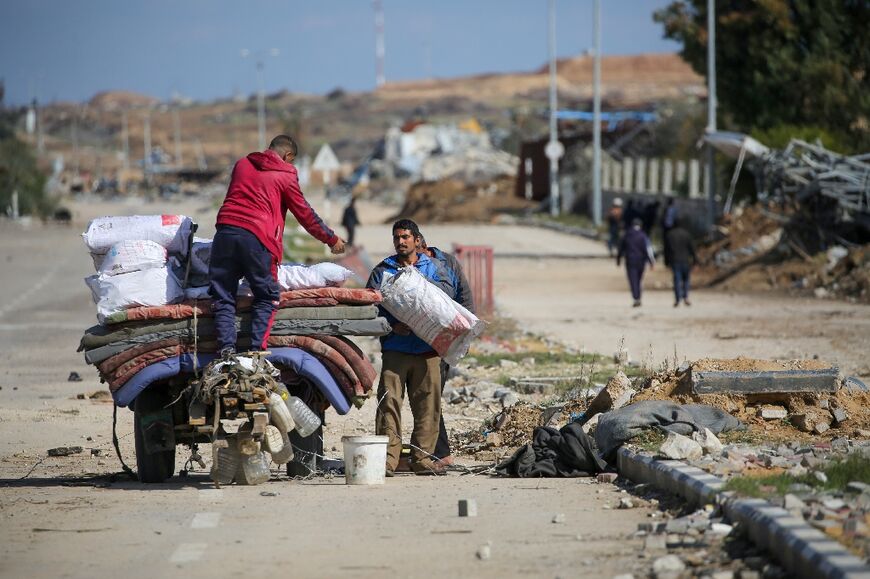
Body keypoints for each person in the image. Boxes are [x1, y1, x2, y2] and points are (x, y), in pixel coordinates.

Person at [209, 135, 345, 356]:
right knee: (266, 295)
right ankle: (255, 351)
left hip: (225, 232)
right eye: (290, 161)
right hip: (258, 238)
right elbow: (305, 214)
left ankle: (226, 348)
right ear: (288, 155)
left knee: (223, 295)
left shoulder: (242, 164)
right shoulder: (285, 175)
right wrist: (331, 239)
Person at [366, 219, 454, 476]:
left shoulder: (435, 269)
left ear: (417, 240)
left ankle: (423, 460)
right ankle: (387, 462)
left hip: (428, 350)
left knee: (428, 406)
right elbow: (370, 309)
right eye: (397, 238)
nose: (401, 241)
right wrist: (393, 326)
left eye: (406, 237)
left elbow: (449, 302)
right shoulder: (383, 271)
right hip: (396, 350)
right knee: (389, 404)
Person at [417, 234, 475, 467]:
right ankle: (433, 451)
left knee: (432, 398)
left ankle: (441, 453)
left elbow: (466, 298)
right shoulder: (408, 266)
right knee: (428, 398)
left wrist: (466, 336)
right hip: (420, 343)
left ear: (422, 245)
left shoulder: (447, 263)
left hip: (444, 342)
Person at [617, 218, 655, 307]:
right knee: (639, 279)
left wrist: (618, 259)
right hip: (641, 261)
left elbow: (621, 248)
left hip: (630, 260)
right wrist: (651, 261)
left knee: (633, 279)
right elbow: (648, 249)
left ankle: (636, 297)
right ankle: (638, 296)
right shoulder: (643, 235)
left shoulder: (627, 235)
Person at [665, 217, 696, 307]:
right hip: (686, 260)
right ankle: (686, 297)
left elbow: (667, 250)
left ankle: (677, 299)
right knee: (686, 280)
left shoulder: (670, 235)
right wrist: (695, 260)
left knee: (677, 280)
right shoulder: (687, 234)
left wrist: (666, 262)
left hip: (675, 261)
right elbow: (692, 248)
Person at [661, 197, 679, 267]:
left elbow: (662, 219)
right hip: (672, 229)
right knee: (672, 245)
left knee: (666, 245)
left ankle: (666, 261)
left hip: (666, 229)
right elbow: (676, 220)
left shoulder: (665, 209)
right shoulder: (675, 210)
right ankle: (671, 261)